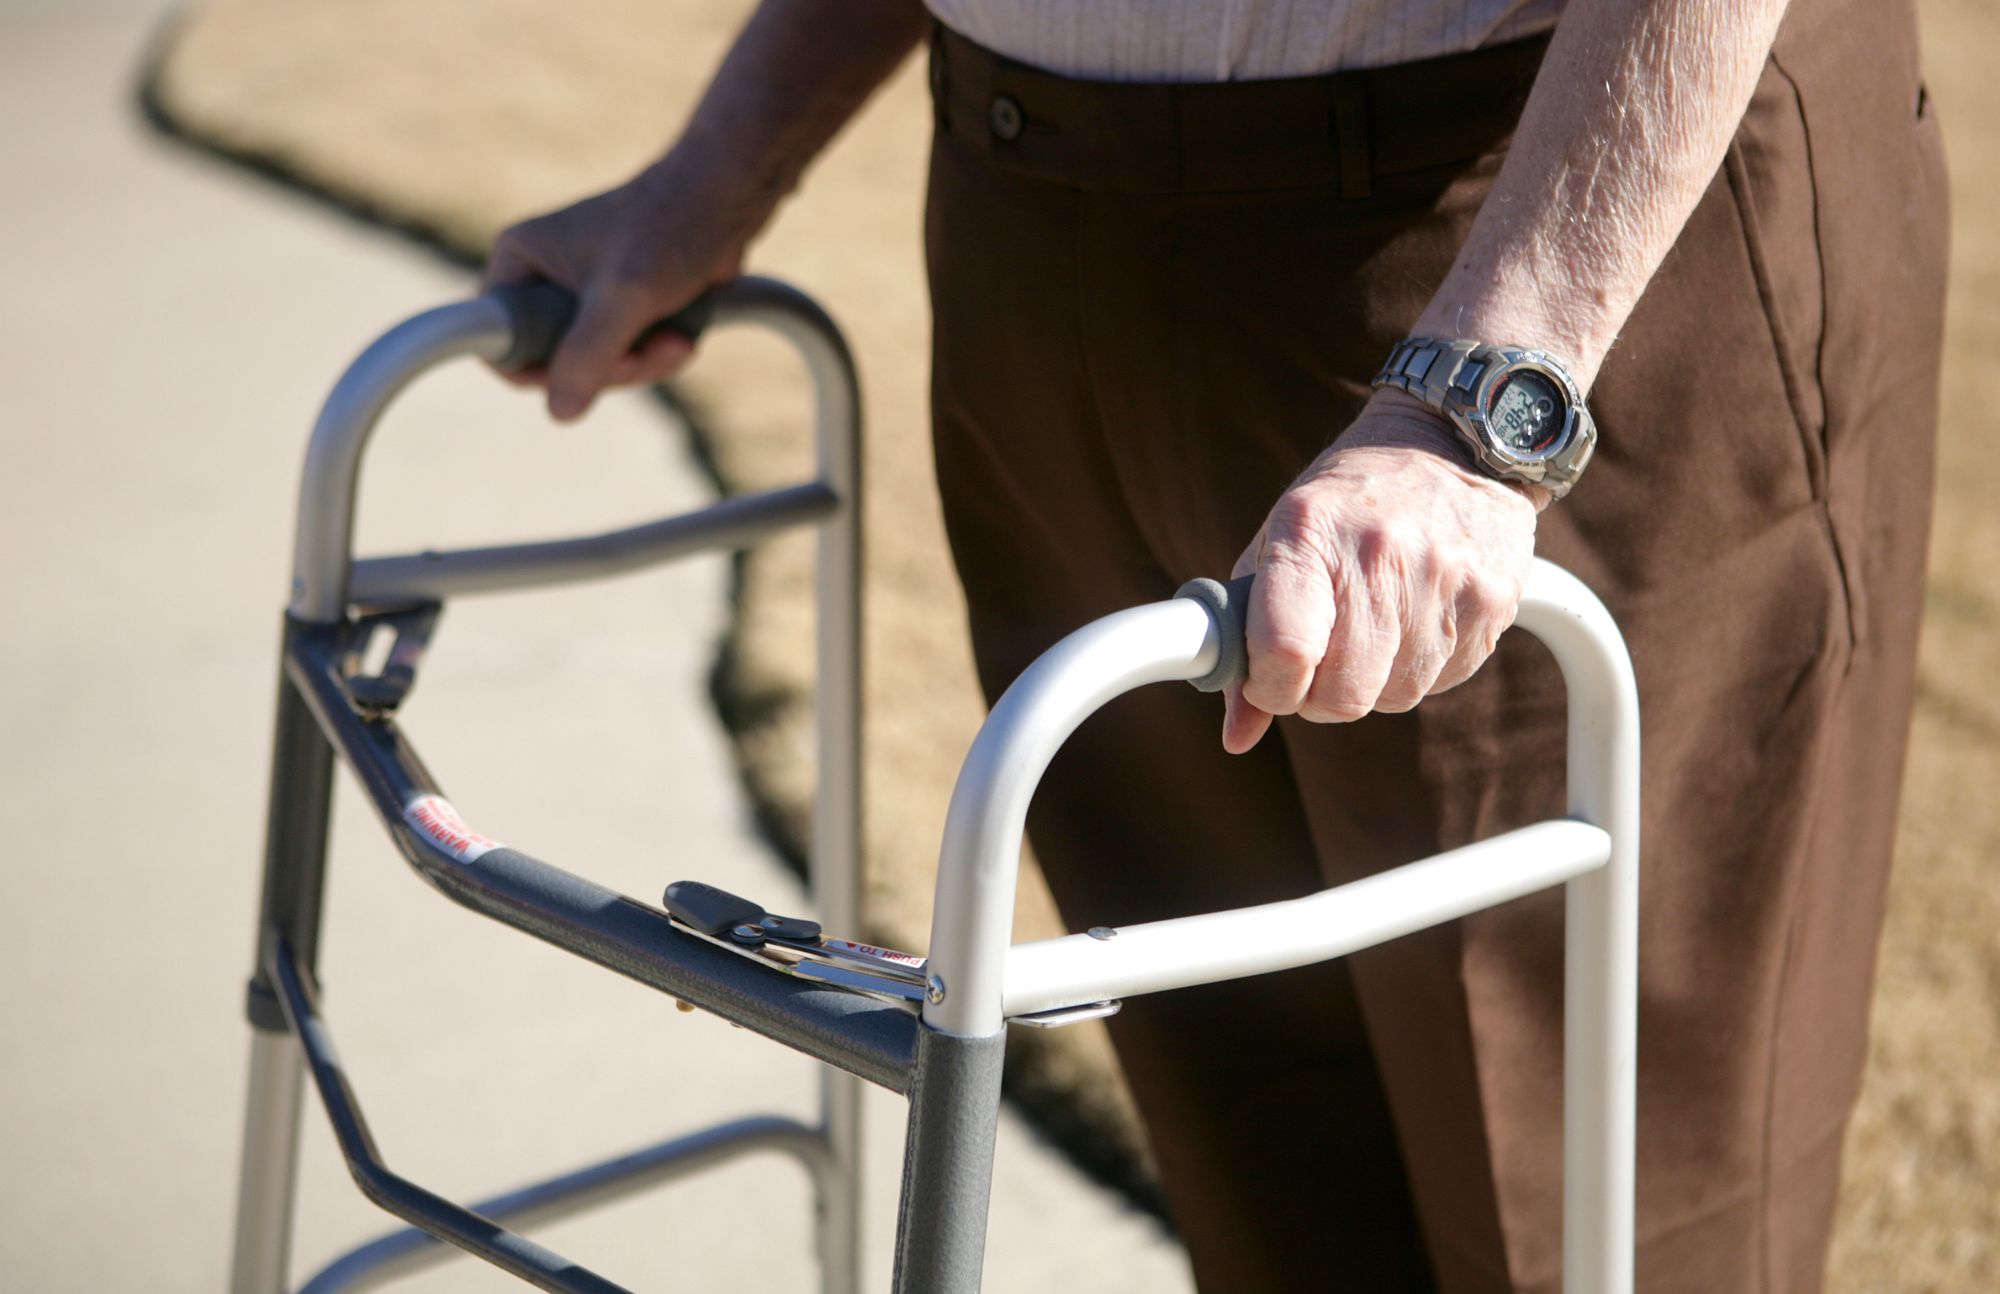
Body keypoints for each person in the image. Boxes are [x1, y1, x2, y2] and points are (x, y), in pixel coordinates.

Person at [483, 0, 1949, 1288]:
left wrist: (1492, 392)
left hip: (1526, 224)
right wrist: (716, 169)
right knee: (1257, 1166)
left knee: (1593, 1208)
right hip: (1037, 213)